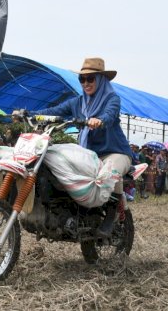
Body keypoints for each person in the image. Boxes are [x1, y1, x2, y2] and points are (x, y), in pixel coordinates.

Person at [32, 57, 132, 238]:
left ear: (101, 79)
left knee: (109, 172)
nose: (86, 83)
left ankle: (111, 215)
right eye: (82, 79)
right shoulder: (77, 103)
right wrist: (28, 114)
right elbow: (53, 111)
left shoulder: (112, 99)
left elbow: (110, 114)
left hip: (115, 152)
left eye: (90, 78)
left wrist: (99, 120)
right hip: (89, 153)